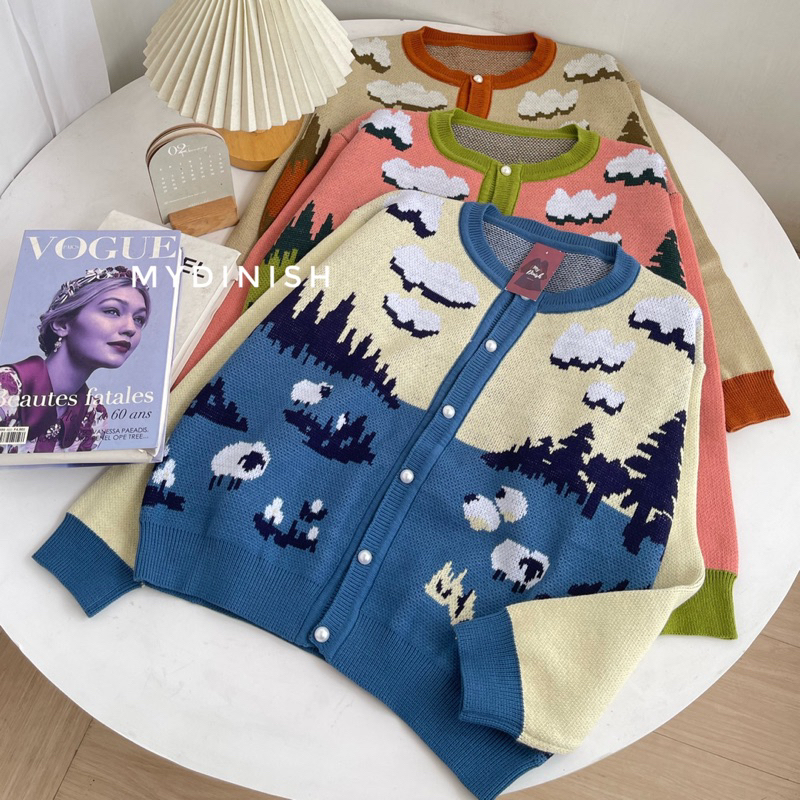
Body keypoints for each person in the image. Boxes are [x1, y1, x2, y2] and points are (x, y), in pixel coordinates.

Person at [0, 266, 150, 454]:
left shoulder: (94, 417)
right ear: (62, 324)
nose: (131, 328)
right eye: (112, 311)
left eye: (139, 319)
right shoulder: (5, 390)